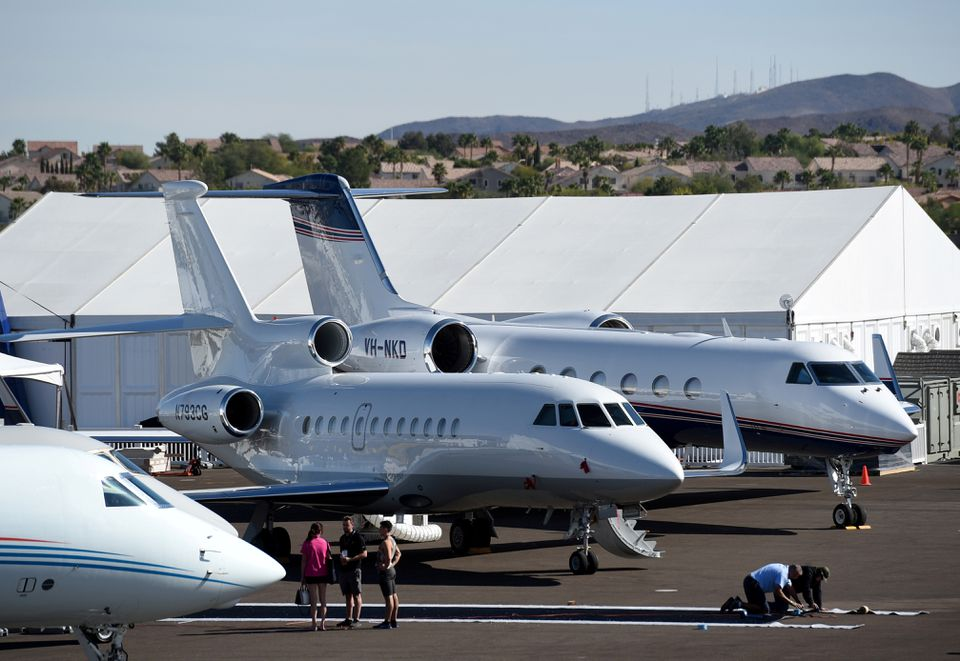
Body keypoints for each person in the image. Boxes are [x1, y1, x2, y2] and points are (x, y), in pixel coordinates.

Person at [722, 563, 804, 614]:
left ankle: (734, 602)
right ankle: (738, 603)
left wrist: (798, 602)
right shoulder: (783, 573)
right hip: (752, 584)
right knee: (764, 610)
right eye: (796, 576)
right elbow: (778, 591)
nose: (796, 578)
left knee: (779, 607)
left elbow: (791, 589)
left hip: (751, 582)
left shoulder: (785, 570)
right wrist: (793, 603)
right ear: (793, 572)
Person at [299, 522, 331, 631]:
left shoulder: (307, 543)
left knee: (313, 601)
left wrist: (302, 577)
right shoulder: (325, 543)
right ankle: (323, 623)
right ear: (320, 531)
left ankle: (314, 623)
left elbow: (304, 561)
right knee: (323, 600)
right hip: (323, 573)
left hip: (311, 574)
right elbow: (328, 558)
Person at [337, 516, 367, 629]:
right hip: (345, 569)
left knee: (356, 594)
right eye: (344, 525)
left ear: (352, 525)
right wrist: (343, 559)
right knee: (347, 595)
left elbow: (364, 554)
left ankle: (356, 619)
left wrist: (351, 559)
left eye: (347, 525)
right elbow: (342, 552)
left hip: (355, 569)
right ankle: (348, 618)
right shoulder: (342, 538)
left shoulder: (358, 537)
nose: (345, 527)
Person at [373, 521, 402, 630]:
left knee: (388, 598)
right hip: (392, 571)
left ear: (385, 529)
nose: (379, 529)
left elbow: (389, 557)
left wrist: (385, 566)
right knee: (394, 595)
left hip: (385, 573)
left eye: (381, 527)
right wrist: (392, 565)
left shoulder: (386, 542)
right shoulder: (392, 539)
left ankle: (387, 621)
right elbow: (399, 553)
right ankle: (393, 620)